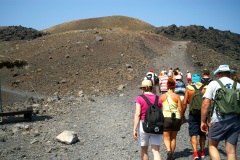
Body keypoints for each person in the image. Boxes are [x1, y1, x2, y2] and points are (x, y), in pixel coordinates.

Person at [200, 64, 240, 160]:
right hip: (235, 121)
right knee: (231, 151)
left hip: (218, 120)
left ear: (218, 74)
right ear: (229, 74)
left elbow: (206, 103)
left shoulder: (214, 84)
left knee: (212, 146)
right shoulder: (238, 85)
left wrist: (202, 121)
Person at [133, 79, 163, 160]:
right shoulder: (158, 99)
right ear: (151, 88)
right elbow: (161, 113)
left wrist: (134, 129)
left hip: (143, 125)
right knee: (156, 151)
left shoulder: (139, 98)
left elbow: (137, 114)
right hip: (157, 125)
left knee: (144, 150)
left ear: (142, 88)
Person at [182, 73, 206, 160]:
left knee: (193, 134)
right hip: (203, 114)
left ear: (192, 80)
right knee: (202, 133)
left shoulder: (189, 88)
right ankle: (202, 152)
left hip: (193, 113)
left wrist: (182, 114)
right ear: (200, 80)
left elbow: (184, 103)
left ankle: (195, 154)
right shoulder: (205, 88)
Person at [160, 78, 183, 160]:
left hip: (166, 117)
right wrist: (182, 118)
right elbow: (180, 109)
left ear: (167, 86)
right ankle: (172, 154)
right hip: (176, 118)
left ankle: (169, 151)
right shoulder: (177, 97)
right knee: (173, 137)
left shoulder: (162, 96)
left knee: (166, 137)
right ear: (174, 86)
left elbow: (159, 108)